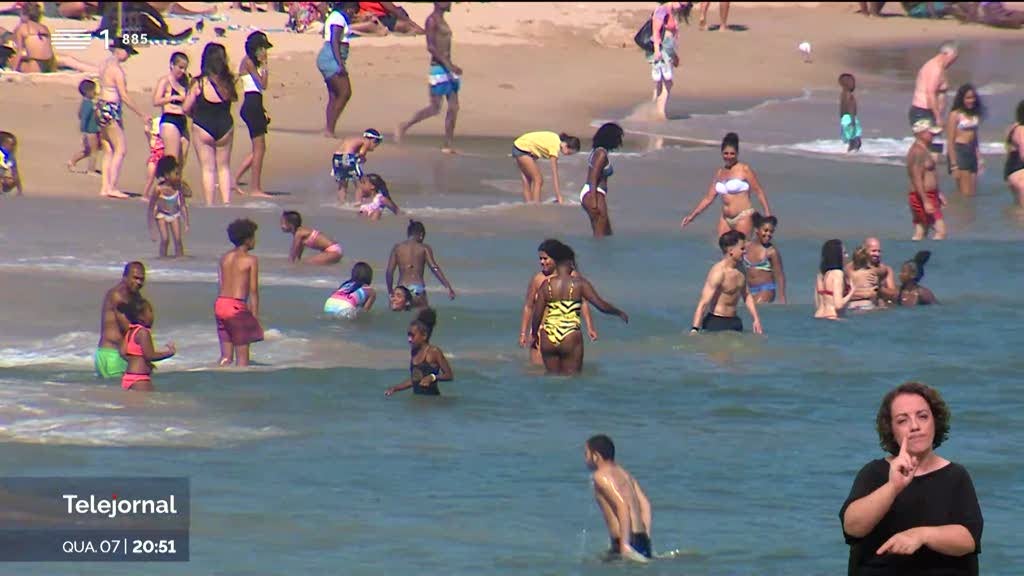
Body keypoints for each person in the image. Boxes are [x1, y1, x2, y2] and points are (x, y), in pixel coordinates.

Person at [840, 381, 982, 576]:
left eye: (922, 416)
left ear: (935, 421)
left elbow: (969, 540)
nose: (915, 426)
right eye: (902, 420)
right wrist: (893, 487)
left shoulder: (956, 476)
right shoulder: (873, 472)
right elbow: (852, 527)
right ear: (891, 430)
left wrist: (920, 535)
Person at [531, 242, 628, 375]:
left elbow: (537, 314)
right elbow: (600, 305)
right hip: (570, 335)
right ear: (570, 262)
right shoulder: (579, 284)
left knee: (552, 380)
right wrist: (618, 312)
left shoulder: (545, 285)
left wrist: (534, 334)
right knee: (572, 380)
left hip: (548, 336)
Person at [395, 2, 461, 153]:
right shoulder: (432, 21)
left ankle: (447, 144)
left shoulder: (443, 20)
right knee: (435, 107)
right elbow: (431, 47)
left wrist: (451, 65)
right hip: (439, 68)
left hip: (448, 67)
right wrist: (448, 65)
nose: (450, 3)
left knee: (454, 107)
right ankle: (404, 126)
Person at [519, 239, 598, 366]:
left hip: (567, 331)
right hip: (542, 332)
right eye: (540, 259)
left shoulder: (573, 277)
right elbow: (529, 306)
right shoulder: (538, 279)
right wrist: (524, 333)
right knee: (538, 371)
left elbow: (583, 302)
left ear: (556, 259)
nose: (542, 262)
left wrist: (590, 327)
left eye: (545, 258)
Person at [680, 132, 772, 240]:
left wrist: (767, 214)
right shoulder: (720, 173)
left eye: (732, 153)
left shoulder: (744, 169)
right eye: (726, 153)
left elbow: (759, 191)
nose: (729, 157)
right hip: (725, 219)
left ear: (737, 153)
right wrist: (692, 216)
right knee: (724, 250)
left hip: (743, 216)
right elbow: (708, 198)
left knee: (741, 250)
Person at [584, 434, 653, 563]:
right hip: (641, 539)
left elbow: (622, 507)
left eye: (586, 454)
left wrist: (625, 545)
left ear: (596, 456)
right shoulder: (623, 473)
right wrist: (646, 537)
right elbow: (646, 504)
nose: (585, 459)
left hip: (624, 540)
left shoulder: (600, 476)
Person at [184, 42, 237, 206]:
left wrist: (194, 114)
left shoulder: (199, 83)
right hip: (225, 125)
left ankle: (210, 203)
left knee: (208, 169)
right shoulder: (228, 82)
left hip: (203, 125)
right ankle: (227, 202)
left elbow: (185, 108)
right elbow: (234, 99)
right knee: (224, 168)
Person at [97, 38, 145, 200]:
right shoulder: (116, 70)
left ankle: (105, 186)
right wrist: (141, 114)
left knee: (108, 150)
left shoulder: (104, 64)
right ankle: (112, 186)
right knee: (120, 148)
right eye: (128, 52)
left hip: (101, 106)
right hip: (110, 107)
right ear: (120, 50)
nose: (129, 56)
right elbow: (123, 95)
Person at [690, 230, 763, 334]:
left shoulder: (741, 269)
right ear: (731, 250)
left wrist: (756, 319)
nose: (745, 252)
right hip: (716, 322)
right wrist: (695, 329)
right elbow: (703, 302)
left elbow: (746, 295)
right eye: (742, 248)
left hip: (735, 321)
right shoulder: (718, 273)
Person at [215, 218, 263, 367]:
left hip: (220, 304)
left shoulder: (224, 258)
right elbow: (253, 291)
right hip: (236, 307)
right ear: (248, 239)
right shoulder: (250, 260)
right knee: (242, 360)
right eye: (253, 237)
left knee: (226, 358)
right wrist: (254, 318)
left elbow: (222, 283)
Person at [235, 31, 273, 198]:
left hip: (255, 105)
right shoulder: (249, 62)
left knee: (259, 149)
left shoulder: (250, 62)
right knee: (259, 149)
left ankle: (234, 179)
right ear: (256, 49)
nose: (265, 53)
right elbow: (262, 85)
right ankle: (255, 188)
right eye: (263, 49)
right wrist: (265, 66)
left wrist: (263, 110)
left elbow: (257, 91)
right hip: (251, 105)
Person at [385, 219, 455, 308]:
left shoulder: (397, 248)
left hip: (401, 289)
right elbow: (434, 267)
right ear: (421, 235)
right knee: (424, 318)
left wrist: (390, 292)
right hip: (417, 289)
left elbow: (389, 272)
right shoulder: (424, 248)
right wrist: (448, 287)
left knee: (398, 319)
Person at [95, 262, 146, 379]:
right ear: (125, 277)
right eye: (135, 278)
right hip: (112, 354)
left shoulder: (134, 295)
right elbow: (128, 327)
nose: (139, 282)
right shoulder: (118, 296)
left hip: (113, 354)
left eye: (142, 279)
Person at [385, 307, 454, 396]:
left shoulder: (434, 351)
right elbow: (415, 380)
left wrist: (432, 377)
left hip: (432, 402)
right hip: (418, 402)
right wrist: (395, 388)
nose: (409, 339)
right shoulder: (414, 352)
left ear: (424, 335)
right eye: (408, 335)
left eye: (412, 336)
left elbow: (449, 375)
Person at [117, 296, 175, 392]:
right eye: (150, 312)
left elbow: (122, 352)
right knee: (149, 405)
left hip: (128, 376)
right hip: (140, 378)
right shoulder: (143, 332)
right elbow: (150, 355)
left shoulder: (131, 331)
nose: (153, 315)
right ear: (141, 316)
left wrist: (137, 362)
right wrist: (169, 353)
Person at [317, 2, 355, 137]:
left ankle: (328, 129)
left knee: (334, 95)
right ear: (349, 8)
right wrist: (340, 64)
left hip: (329, 58)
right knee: (345, 93)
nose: (353, 14)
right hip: (331, 58)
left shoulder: (335, 16)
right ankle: (329, 130)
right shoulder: (338, 18)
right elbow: (334, 41)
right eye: (353, 10)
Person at [511, 131, 580, 204]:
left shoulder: (556, 139)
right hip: (522, 149)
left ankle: (529, 207)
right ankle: (536, 206)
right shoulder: (555, 147)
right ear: (565, 145)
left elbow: (538, 144)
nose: (567, 155)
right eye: (569, 153)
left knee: (527, 180)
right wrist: (558, 196)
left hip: (520, 146)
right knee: (538, 179)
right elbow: (554, 173)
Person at [907, 118, 947, 240]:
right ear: (920, 134)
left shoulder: (926, 149)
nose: (934, 136)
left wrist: (938, 193)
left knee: (921, 230)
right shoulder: (917, 151)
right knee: (941, 231)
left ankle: (917, 254)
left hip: (930, 195)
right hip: (923, 196)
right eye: (931, 133)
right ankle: (936, 253)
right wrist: (925, 200)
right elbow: (916, 177)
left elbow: (931, 174)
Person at [581, 123, 623, 237]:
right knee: (600, 235)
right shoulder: (601, 154)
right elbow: (593, 177)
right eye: (618, 137)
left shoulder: (598, 151)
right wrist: (594, 202)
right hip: (594, 194)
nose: (620, 141)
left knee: (607, 233)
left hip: (593, 193)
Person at [152, 52, 191, 173]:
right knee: (171, 161)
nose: (182, 71)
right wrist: (173, 98)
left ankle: (176, 188)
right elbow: (156, 101)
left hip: (182, 121)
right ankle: (166, 188)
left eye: (185, 68)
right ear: (172, 65)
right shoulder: (165, 81)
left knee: (182, 160)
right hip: (170, 120)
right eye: (180, 67)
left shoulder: (185, 82)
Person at [647, 2, 686, 121]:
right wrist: (657, 51)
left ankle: (652, 109)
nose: (682, 7)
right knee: (667, 83)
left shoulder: (671, 11)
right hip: (663, 51)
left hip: (667, 50)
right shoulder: (662, 10)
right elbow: (655, 32)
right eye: (681, 4)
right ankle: (660, 112)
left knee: (660, 83)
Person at [909, 42, 958, 131]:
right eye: (953, 59)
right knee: (924, 142)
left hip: (930, 113)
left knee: (930, 143)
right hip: (923, 112)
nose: (953, 62)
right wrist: (938, 117)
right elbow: (930, 93)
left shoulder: (940, 67)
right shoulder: (935, 69)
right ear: (945, 54)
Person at [945, 84, 984, 198]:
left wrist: (979, 157)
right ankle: (961, 213)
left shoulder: (974, 114)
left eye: (972, 97)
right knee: (965, 192)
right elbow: (950, 141)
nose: (970, 100)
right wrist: (953, 165)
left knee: (972, 192)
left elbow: (975, 137)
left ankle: (966, 213)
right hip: (959, 151)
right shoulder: (955, 115)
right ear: (961, 99)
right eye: (967, 98)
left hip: (971, 151)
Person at [147, 155, 189, 258]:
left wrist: (186, 222)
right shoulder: (158, 189)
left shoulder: (178, 188)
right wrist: (152, 228)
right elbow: (151, 208)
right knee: (165, 239)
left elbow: (183, 205)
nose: (178, 176)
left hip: (174, 213)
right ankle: (163, 258)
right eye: (176, 173)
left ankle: (180, 258)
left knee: (178, 240)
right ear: (166, 175)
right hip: (161, 214)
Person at [743, 213, 786, 304]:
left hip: (766, 289)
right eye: (765, 230)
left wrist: (782, 297)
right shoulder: (746, 247)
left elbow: (779, 275)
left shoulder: (771, 252)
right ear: (756, 230)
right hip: (750, 290)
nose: (768, 234)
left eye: (771, 232)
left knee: (757, 308)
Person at [845, 237, 898, 310]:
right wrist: (863, 293)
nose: (877, 254)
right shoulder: (850, 268)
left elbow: (894, 294)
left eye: (879, 251)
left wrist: (879, 288)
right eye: (873, 251)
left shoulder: (885, 269)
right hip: (857, 304)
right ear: (865, 251)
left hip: (872, 304)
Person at [333, 129, 382, 204]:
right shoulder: (367, 141)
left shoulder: (355, 139)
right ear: (373, 139)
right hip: (349, 158)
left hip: (336, 158)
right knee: (360, 183)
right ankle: (358, 202)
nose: (376, 145)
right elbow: (361, 154)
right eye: (376, 142)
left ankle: (341, 202)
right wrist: (363, 159)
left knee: (342, 182)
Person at [814, 239, 854, 320]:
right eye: (844, 253)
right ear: (837, 255)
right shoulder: (837, 274)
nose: (847, 256)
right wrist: (852, 291)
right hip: (832, 317)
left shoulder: (821, 275)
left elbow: (818, 304)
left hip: (818, 316)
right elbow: (838, 305)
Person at [67, 79, 101, 174]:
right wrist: (84, 132)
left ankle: (72, 162)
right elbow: (83, 118)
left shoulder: (87, 102)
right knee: (93, 151)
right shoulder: (88, 104)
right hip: (90, 132)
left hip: (92, 130)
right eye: (94, 90)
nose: (95, 92)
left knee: (88, 151)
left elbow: (80, 114)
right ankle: (91, 169)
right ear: (88, 92)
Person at [10, 2, 53, 73]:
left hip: (34, 69)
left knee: (11, 61)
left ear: (24, 14)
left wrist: (13, 70)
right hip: (48, 67)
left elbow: (19, 52)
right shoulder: (45, 28)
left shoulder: (23, 28)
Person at [354, 2, 425, 35]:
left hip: (372, 15)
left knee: (400, 12)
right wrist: (413, 24)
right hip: (379, 17)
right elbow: (392, 9)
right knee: (405, 25)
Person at [1005, 99, 1024, 207]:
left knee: (1017, 206)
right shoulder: (1022, 130)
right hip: (1020, 171)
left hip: (1011, 171)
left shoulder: (1014, 127)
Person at [142, 116, 166, 199]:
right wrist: (147, 123)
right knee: (150, 179)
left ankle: (161, 195)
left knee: (164, 180)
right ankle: (145, 195)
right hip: (154, 159)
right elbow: (146, 131)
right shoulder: (153, 139)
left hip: (162, 161)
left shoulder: (165, 138)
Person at [839, 73, 863, 153]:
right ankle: (852, 153)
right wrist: (852, 121)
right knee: (856, 141)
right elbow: (850, 108)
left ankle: (850, 151)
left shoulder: (843, 94)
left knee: (852, 140)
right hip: (850, 118)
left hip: (845, 119)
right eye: (852, 83)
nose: (854, 85)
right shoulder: (850, 96)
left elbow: (843, 109)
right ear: (846, 84)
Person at [0, 131, 23, 195]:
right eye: (11, 144)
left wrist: (20, 190)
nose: (14, 147)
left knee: (11, 181)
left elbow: (15, 174)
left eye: (14, 145)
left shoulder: (10, 158)